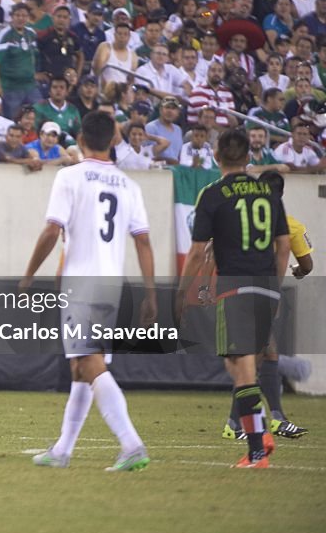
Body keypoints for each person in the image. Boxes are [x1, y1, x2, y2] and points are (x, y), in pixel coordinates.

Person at [24, 112, 155, 472]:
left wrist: (29, 273)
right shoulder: (129, 185)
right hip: (112, 285)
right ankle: (63, 449)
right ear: (114, 140)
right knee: (80, 367)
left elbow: (52, 231)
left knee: (90, 363)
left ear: (81, 139)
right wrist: (150, 293)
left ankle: (131, 443)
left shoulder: (70, 176)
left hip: (82, 282)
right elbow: (143, 241)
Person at [178, 129, 290, 468]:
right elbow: (283, 245)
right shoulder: (269, 192)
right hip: (266, 285)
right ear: (249, 156)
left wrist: (181, 294)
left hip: (236, 287)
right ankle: (260, 435)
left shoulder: (213, 194)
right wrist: (276, 286)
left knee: (241, 369)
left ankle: (257, 450)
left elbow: (198, 252)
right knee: (240, 365)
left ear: (215, 156)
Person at [218, 171, 310, 443]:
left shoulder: (238, 219)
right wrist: (296, 272)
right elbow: (307, 265)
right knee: (258, 358)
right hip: (264, 294)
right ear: (281, 195)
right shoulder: (289, 225)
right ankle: (253, 422)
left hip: (235, 290)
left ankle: (246, 421)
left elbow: (213, 250)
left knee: (260, 356)